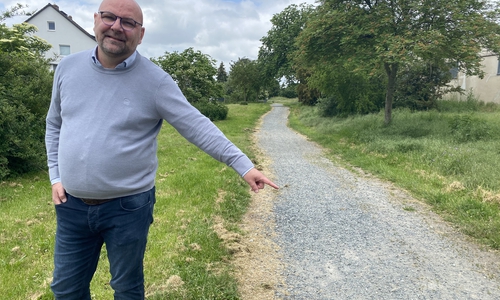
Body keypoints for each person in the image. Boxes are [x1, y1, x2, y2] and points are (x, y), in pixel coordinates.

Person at [45, 0, 278, 298]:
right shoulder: (67, 68)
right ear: (95, 20)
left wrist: (243, 165)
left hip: (127, 208)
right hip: (71, 205)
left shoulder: (155, 81)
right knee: (66, 288)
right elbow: (54, 125)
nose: (117, 27)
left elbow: (197, 126)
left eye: (128, 22)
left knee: (126, 288)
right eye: (109, 17)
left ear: (140, 34)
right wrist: (55, 176)